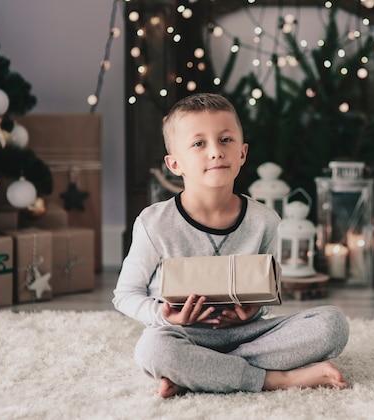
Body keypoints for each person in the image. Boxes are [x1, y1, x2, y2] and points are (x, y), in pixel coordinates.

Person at [113, 93, 350, 398]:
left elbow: (266, 291)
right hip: (181, 336)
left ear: (242, 153)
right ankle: (274, 379)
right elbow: (125, 295)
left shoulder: (265, 220)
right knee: (153, 349)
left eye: (226, 139)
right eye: (199, 143)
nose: (216, 152)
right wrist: (164, 316)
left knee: (333, 325)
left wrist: (250, 312)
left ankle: (200, 374)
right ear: (174, 163)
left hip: (247, 336)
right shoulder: (154, 222)